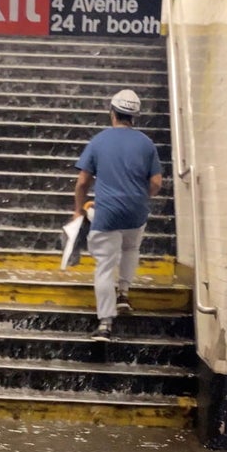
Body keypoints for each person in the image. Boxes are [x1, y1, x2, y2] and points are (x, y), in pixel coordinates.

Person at [73, 89, 162, 340]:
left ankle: (105, 324)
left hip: (108, 212)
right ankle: (124, 293)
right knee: (131, 248)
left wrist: (78, 210)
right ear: (135, 117)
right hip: (136, 211)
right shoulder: (146, 144)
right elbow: (156, 182)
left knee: (104, 265)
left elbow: (82, 183)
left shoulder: (99, 141)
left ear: (112, 113)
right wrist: (138, 196)